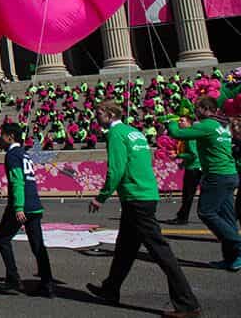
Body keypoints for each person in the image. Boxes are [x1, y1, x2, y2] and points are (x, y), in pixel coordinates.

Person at [86, 100, 199, 317]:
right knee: (125, 248)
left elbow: (116, 168)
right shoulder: (134, 132)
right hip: (146, 192)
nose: (95, 117)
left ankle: (187, 304)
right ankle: (111, 289)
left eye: (98, 113)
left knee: (160, 251)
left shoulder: (115, 134)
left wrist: (101, 197)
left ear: (109, 114)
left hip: (136, 196)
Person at [167, 97, 241, 270]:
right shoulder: (219, 126)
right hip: (229, 174)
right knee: (228, 218)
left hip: (217, 175)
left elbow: (176, 134)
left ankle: (237, 245)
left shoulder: (205, 125)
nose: (194, 111)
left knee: (206, 212)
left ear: (203, 108)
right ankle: (232, 258)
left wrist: (171, 121)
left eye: (196, 108)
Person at [0, 123, 54, 297]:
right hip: (34, 204)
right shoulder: (24, 154)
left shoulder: (12, 154)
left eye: (2, 135)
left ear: (10, 137)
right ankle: (47, 284)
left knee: (3, 239)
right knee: (38, 246)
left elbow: (18, 181)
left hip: (21, 205)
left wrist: (18, 207)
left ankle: (13, 279)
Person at [166, 135, 202, 225]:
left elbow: (193, 154)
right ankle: (182, 216)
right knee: (187, 195)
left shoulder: (190, 137)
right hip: (194, 167)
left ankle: (183, 218)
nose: (179, 123)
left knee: (188, 195)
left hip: (194, 168)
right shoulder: (189, 136)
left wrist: (178, 155)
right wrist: (183, 162)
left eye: (182, 120)